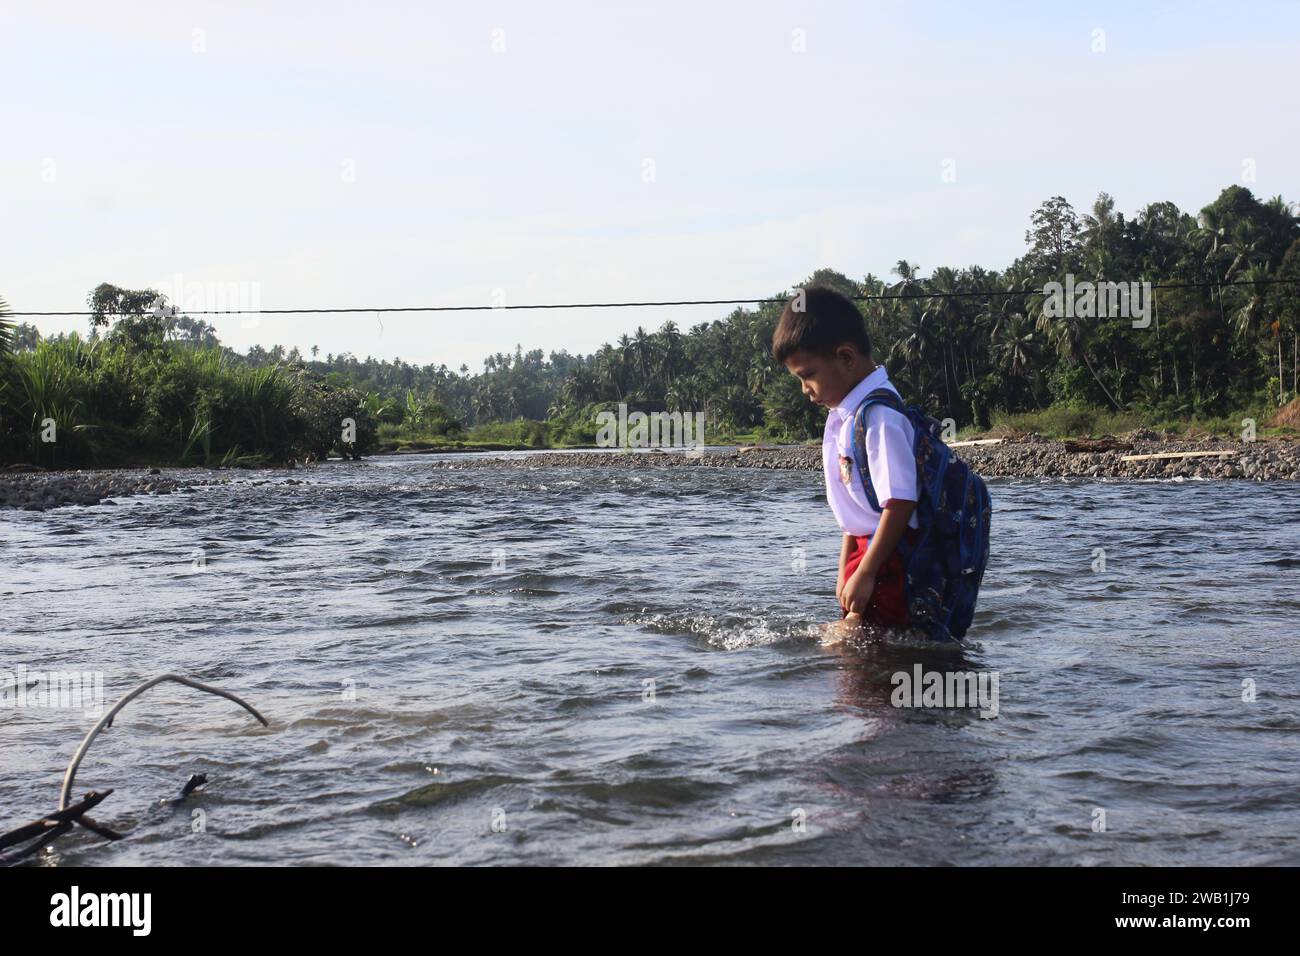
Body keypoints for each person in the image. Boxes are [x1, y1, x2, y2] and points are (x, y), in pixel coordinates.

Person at [772, 286, 919, 629]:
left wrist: (867, 571)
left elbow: (900, 502)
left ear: (847, 358)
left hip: (889, 559)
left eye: (808, 375)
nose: (805, 389)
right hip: (869, 554)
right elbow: (855, 510)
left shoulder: (879, 417)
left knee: (864, 658)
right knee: (857, 656)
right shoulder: (846, 414)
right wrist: (845, 571)